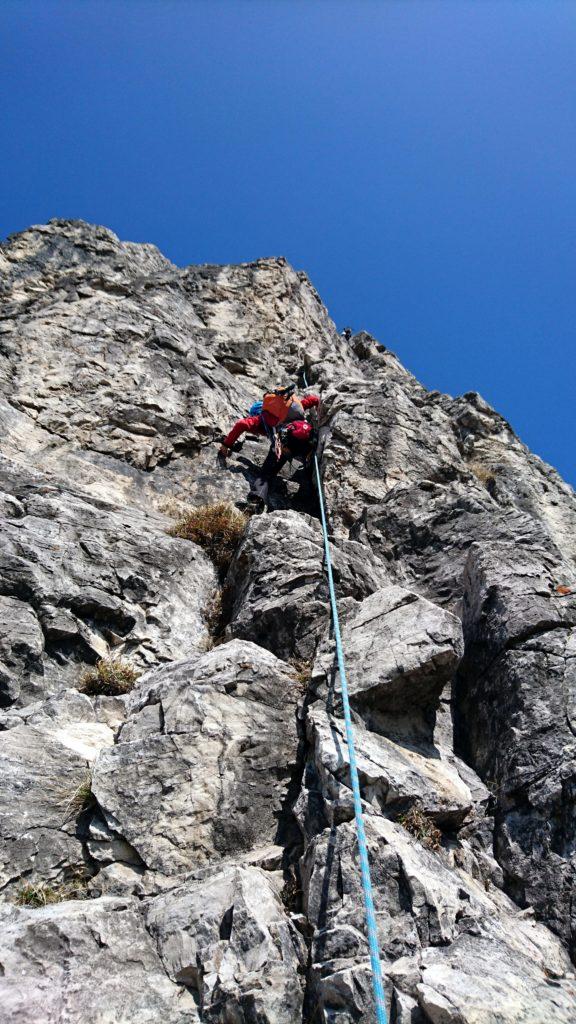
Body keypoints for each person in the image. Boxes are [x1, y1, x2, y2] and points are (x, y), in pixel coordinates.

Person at [219, 386, 320, 507]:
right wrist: (319, 409)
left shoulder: (260, 419)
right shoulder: (288, 409)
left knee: (266, 474)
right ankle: (312, 494)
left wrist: (226, 444)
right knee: (308, 469)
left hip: (285, 443)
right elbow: (313, 400)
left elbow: (242, 424)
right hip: (307, 439)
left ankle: (256, 500)